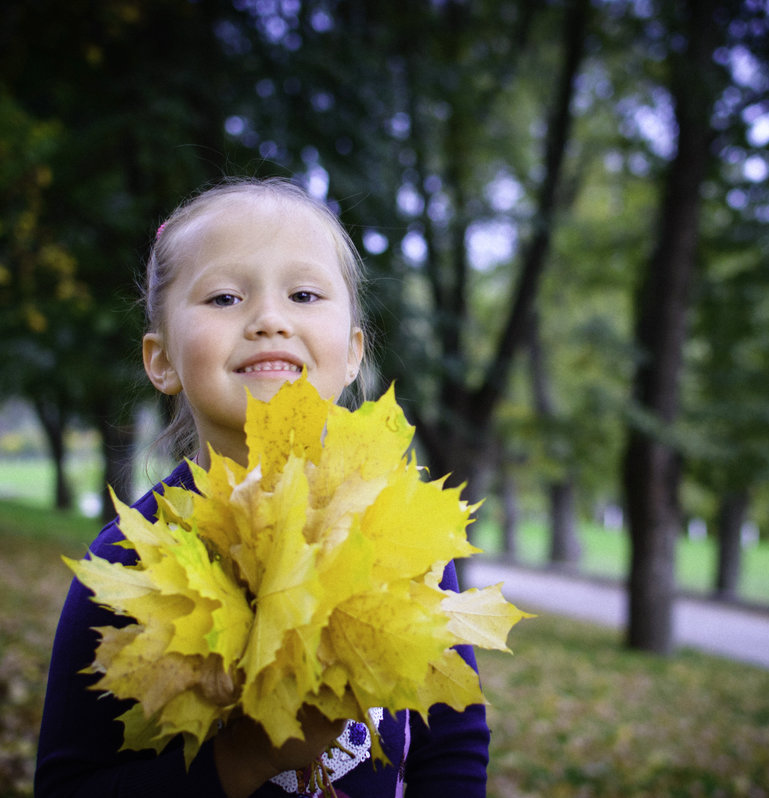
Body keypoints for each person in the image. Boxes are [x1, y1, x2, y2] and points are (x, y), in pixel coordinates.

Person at [35, 177, 491, 797]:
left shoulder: (403, 539)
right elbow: (67, 785)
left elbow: (452, 741)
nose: (270, 319)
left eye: (304, 294)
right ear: (161, 358)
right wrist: (241, 759)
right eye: (224, 298)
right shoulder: (128, 564)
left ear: (354, 352)